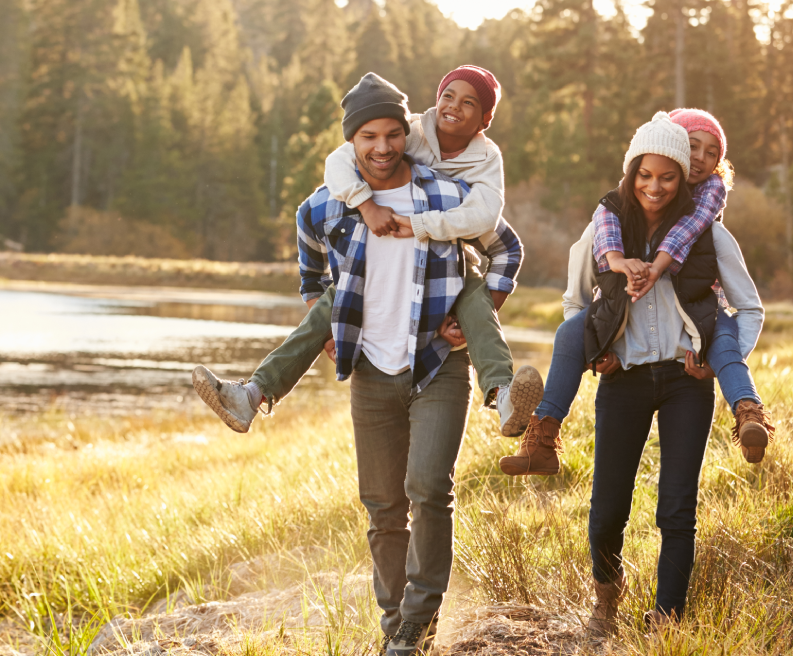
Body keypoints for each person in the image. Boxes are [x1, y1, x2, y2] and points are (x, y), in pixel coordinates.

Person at [232, 75, 523, 656]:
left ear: (406, 135)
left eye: (394, 134)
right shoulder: (326, 203)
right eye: (369, 136)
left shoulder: (444, 196)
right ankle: (395, 629)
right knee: (383, 506)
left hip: (437, 363)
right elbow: (309, 259)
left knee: (428, 491)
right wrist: (326, 326)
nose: (383, 147)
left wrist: (480, 309)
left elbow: (506, 246)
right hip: (369, 368)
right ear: (352, 143)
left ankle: (417, 626)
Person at [191, 67, 541, 439]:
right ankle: (252, 395)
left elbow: (491, 222)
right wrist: (365, 205)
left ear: (486, 119)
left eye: (469, 102)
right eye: (448, 96)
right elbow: (339, 163)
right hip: (373, 270)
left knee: (474, 300)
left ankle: (503, 395)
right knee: (331, 302)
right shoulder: (411, 131)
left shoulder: (484, 161)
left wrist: (469, 314)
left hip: (451, 265)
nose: (383, 146)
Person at [556, 112, 763, 635]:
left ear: (681, 179)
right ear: (634, 172)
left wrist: (716, 361)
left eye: (669, 175)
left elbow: (750, 309)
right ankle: (607, 596)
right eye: (647, 174)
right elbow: (574, 301)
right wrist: (597, 349)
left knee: (677, 508)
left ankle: (668, 616)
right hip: (623, 380)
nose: (657, 184)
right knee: (607, 507)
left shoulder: (710, 235)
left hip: (683, 384)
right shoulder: (606, 230)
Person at [499, 108, 774, 477]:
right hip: (624, 351)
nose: (701, 159)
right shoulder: (611, 213)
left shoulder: (706, 214)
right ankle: (543, 436)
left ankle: (748, 412)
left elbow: (696, 239)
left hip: (697, 326)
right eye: (693, 147)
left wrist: (657, 267)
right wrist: (598, 349)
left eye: (712, 153)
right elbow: (578, 290)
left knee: (723, 337)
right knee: (568, 333)